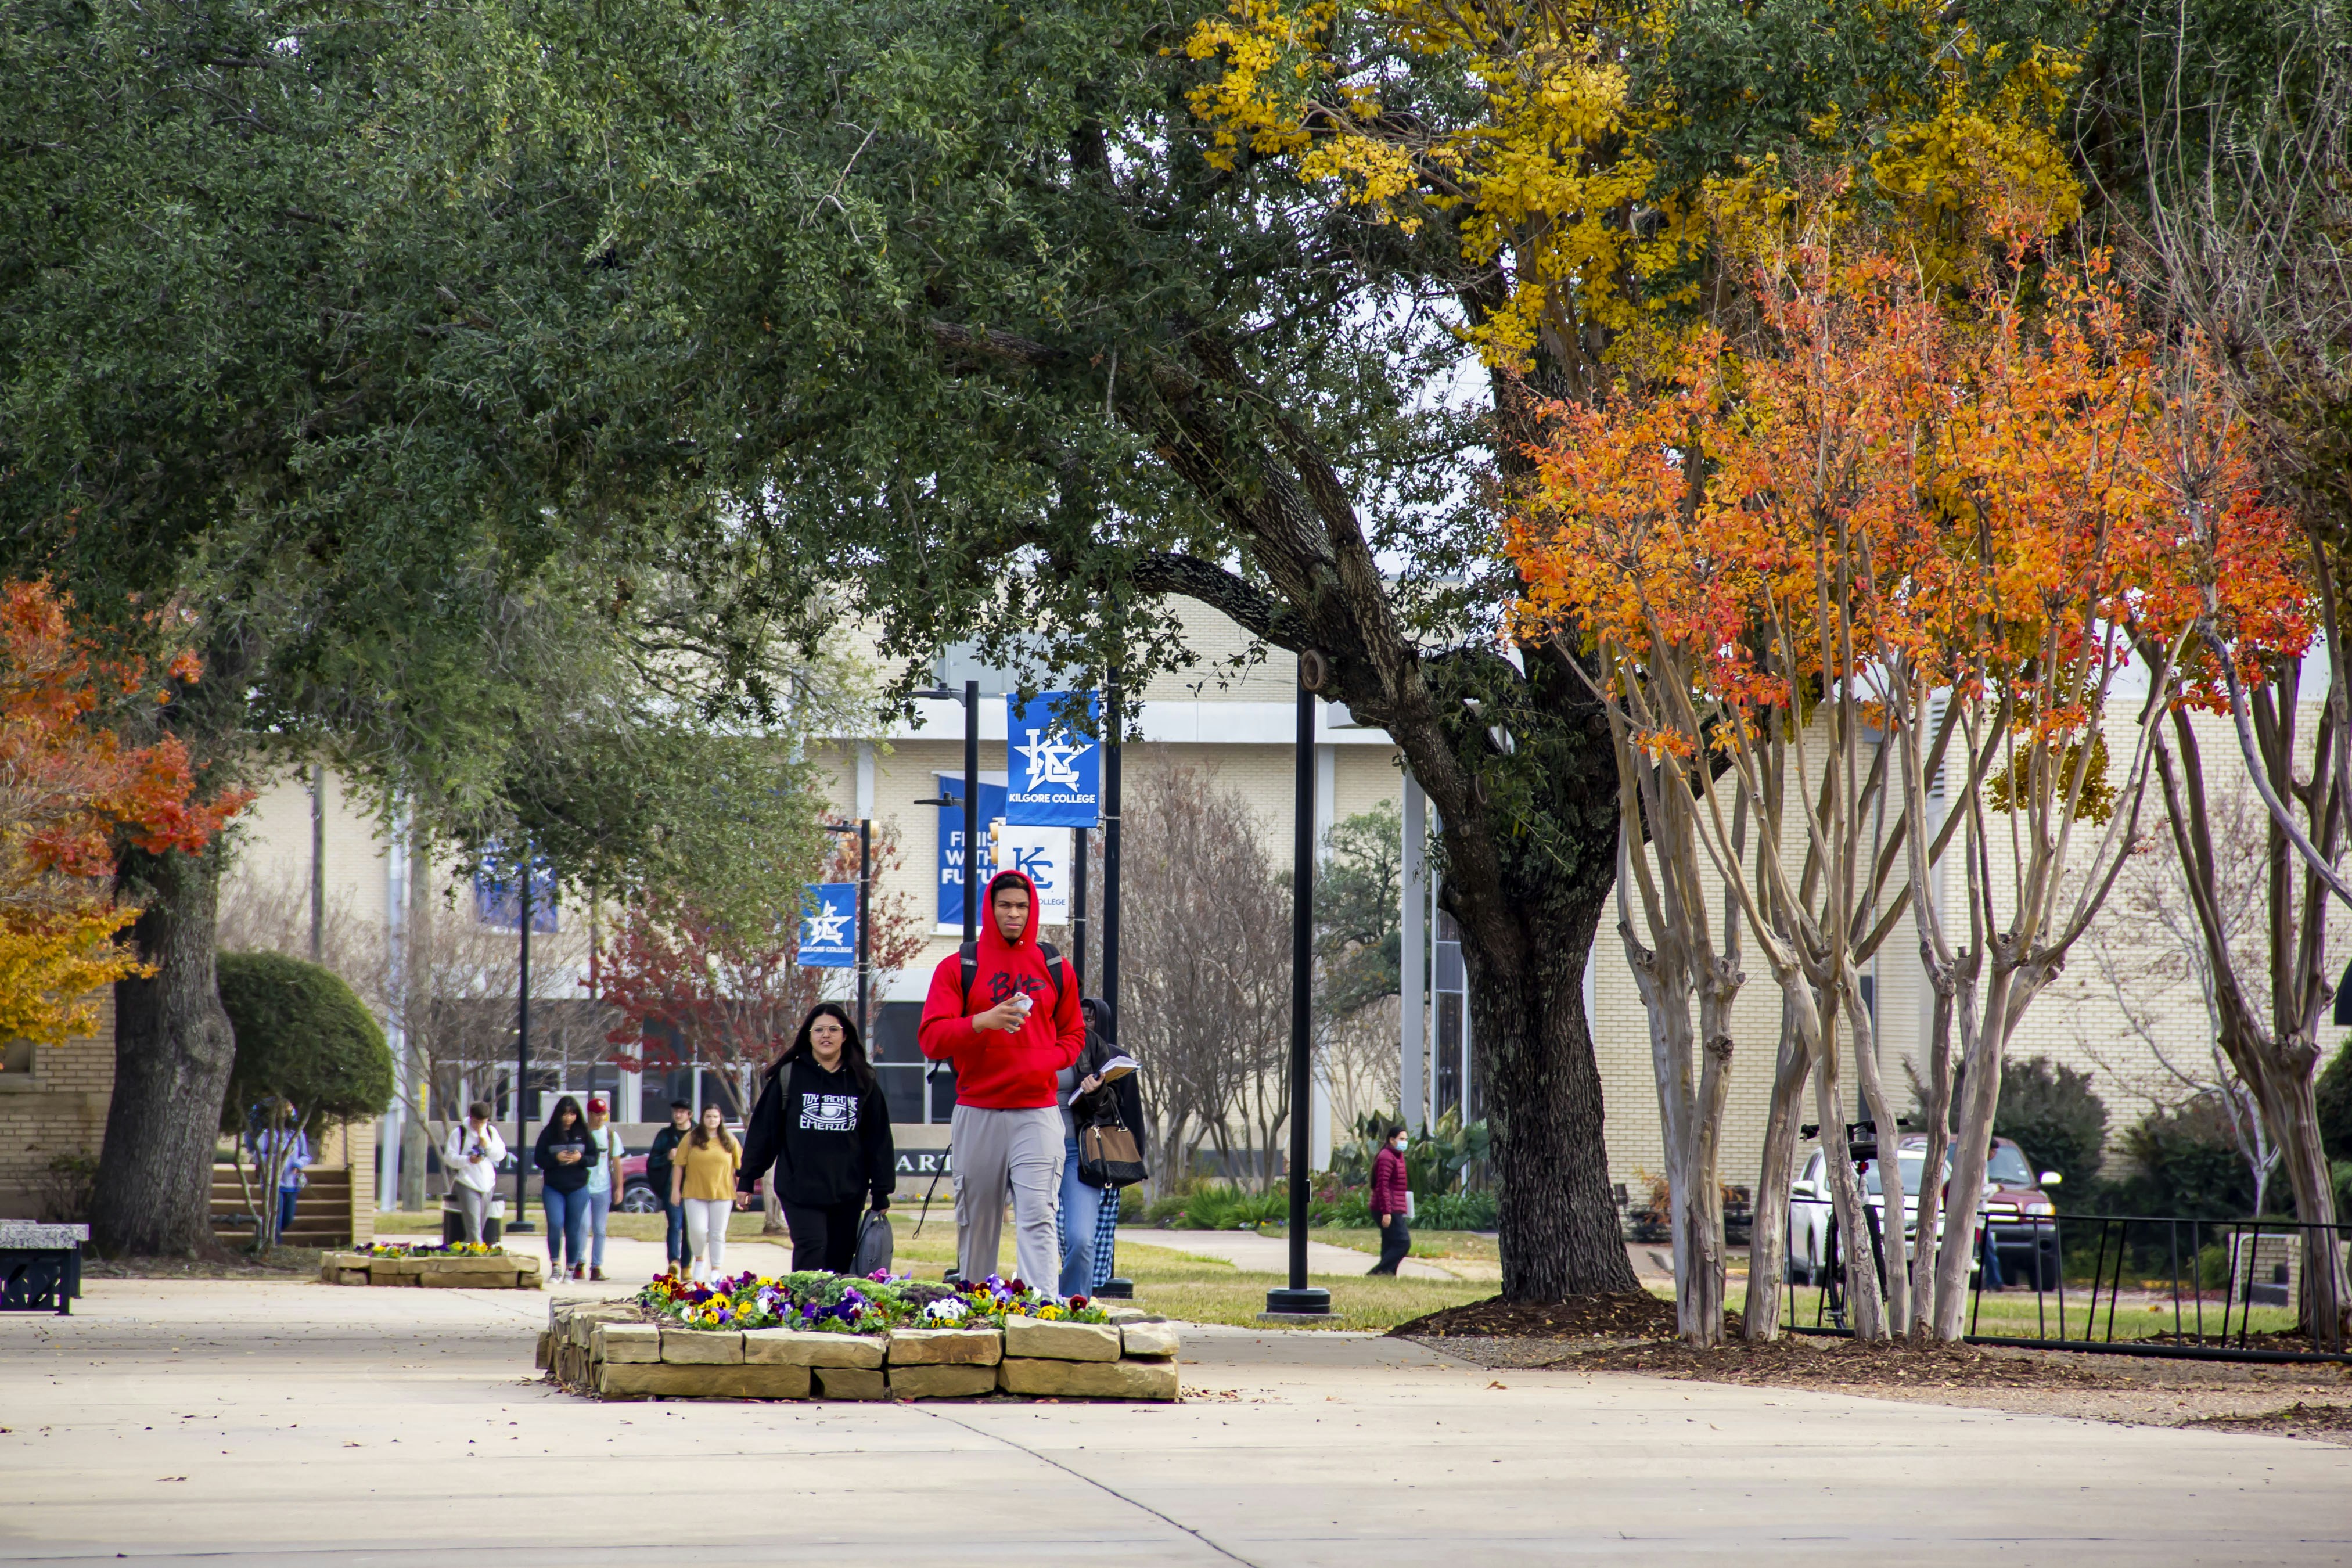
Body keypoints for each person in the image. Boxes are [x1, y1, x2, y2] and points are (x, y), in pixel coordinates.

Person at [918, 868, 1084, 1289]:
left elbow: (1075, 1033)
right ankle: (975, 1305)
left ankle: (1041, 1311)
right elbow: (931, 1039)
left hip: (1038, 1110)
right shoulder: (959, 966)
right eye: (1006, 905)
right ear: (990, 909)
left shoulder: (1055, 966)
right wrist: (981, 1022)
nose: (1015, 914)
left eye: (1022, 907)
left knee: (1038, 1215)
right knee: (977, 1220)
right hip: (978, 1110)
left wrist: (1047, 1061)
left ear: (1034, 911)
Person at [737, 1003, 895, 1272]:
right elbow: (765, 1131)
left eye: (834, 1029)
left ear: (845, 1036)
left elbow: (878, 1139)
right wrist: (748, 1178)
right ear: (808, 1036)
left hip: (848, 1190)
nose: (826, 1035)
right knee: (812, 1248)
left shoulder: (863, 1080)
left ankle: (834, 1313)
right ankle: (804, 1310)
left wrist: (881, 1191)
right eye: (819, 1029)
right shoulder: (789, 1076)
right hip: (799, 1188)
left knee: (840, 1257)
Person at [1056, 996, 1144, 1297]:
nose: (1083, 1025)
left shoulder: (1113, 1058)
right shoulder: (1046, 1048)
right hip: (1036, 1148)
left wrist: (1097, 1093)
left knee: (1082, 1239)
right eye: (1077, 1017)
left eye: (1090, 1019)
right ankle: (1044, 1301)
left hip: (1083, 1156)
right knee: (1044, 1236)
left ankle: (1072, 1304)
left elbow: (1127, 1112)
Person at [671, 1103, 740, 1282]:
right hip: (694, 1193)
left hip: (723, 1194)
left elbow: (739, 1169)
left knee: (718, 1233)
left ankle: (716, 1269)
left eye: (716, 1117)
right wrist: (675, 1190)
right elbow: (679, 1165)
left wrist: (741, 1193)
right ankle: (700, 1260)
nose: (712, 1120)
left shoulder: (729, 1140)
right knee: (698, 1231)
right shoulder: (691, 1138)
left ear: (720, 1119)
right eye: (709, 1116)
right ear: (703, 1118)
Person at [534, 1096, 595, 1281]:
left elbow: (594, 1158)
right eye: (565, 1114)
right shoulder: (549, 1133)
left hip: (578, 1187)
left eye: (572, 1114)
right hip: (554, 1186)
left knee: (574, 1228)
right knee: (555, 1224)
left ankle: (571, 1268)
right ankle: (555, 1266)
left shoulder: (583, 1132)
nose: (569, 1118)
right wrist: (556, 1159)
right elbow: (539, 1159)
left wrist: (580, 1159)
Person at [443, 1101, 506, 1245]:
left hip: (487, 1184)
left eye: (482, 1122)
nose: (479, 1126)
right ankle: (479, 1254)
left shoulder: (491, 1132)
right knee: (474, 1225)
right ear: (471, 1118)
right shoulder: (460, 1133)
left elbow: (500, 1154)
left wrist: (488, 1145)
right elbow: (449, 1158)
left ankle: (470, 1250)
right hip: (467, 1182)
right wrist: (468, 1160)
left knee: (480, 1225)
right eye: (476, 1122)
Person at [645, 1100, 693, 1275]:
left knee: (691, 1228)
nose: (678, 1115)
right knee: (675, 1224)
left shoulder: (697, 1134)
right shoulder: (665, 1135)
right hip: (671, 1188)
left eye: (682, 1111)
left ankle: (687, 1265)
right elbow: (651, 1161)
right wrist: (668, 1156)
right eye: (676, 1112)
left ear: (690, 1114)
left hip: (695, 1188)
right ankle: (674, 1262)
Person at [249, 1102, 309, 1240]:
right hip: (272, 1181)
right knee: (276, 1216)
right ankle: (275, 1244)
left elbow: (306, 1155)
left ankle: (268, 1235)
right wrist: (277, 1157)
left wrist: (298, 1164)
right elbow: (257, 1156)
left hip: (291, 1182)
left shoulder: (297, 1135)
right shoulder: (267, 1134)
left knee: (288, 1218)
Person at [582, 1095, 623, 1282]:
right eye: (597, 1114)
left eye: (604, 1114)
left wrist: (619, 1187)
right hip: (582, 1186)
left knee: (599, 1229)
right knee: (582, 1226)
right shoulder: (581, 1133)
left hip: (603, 1187)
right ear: (590, 1114)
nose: (601, 1117)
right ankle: (578, 1262)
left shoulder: (611, 1136)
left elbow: (616, 1163)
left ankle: (596, 1266)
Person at [1368, 1123, 1412, 1275]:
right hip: (1387, 1208)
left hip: (1393, 1206)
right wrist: (1386, 1212)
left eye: (1406, 1139)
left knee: (1390, 1242)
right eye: (1401, 1139)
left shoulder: (1397, 1156)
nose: (1404, 1142)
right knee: (1403, 1242)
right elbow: (1382, 1186)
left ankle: (1388, 1274)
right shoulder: (1387, 1157)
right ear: (1392, 1140)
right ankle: (1378, 1272)